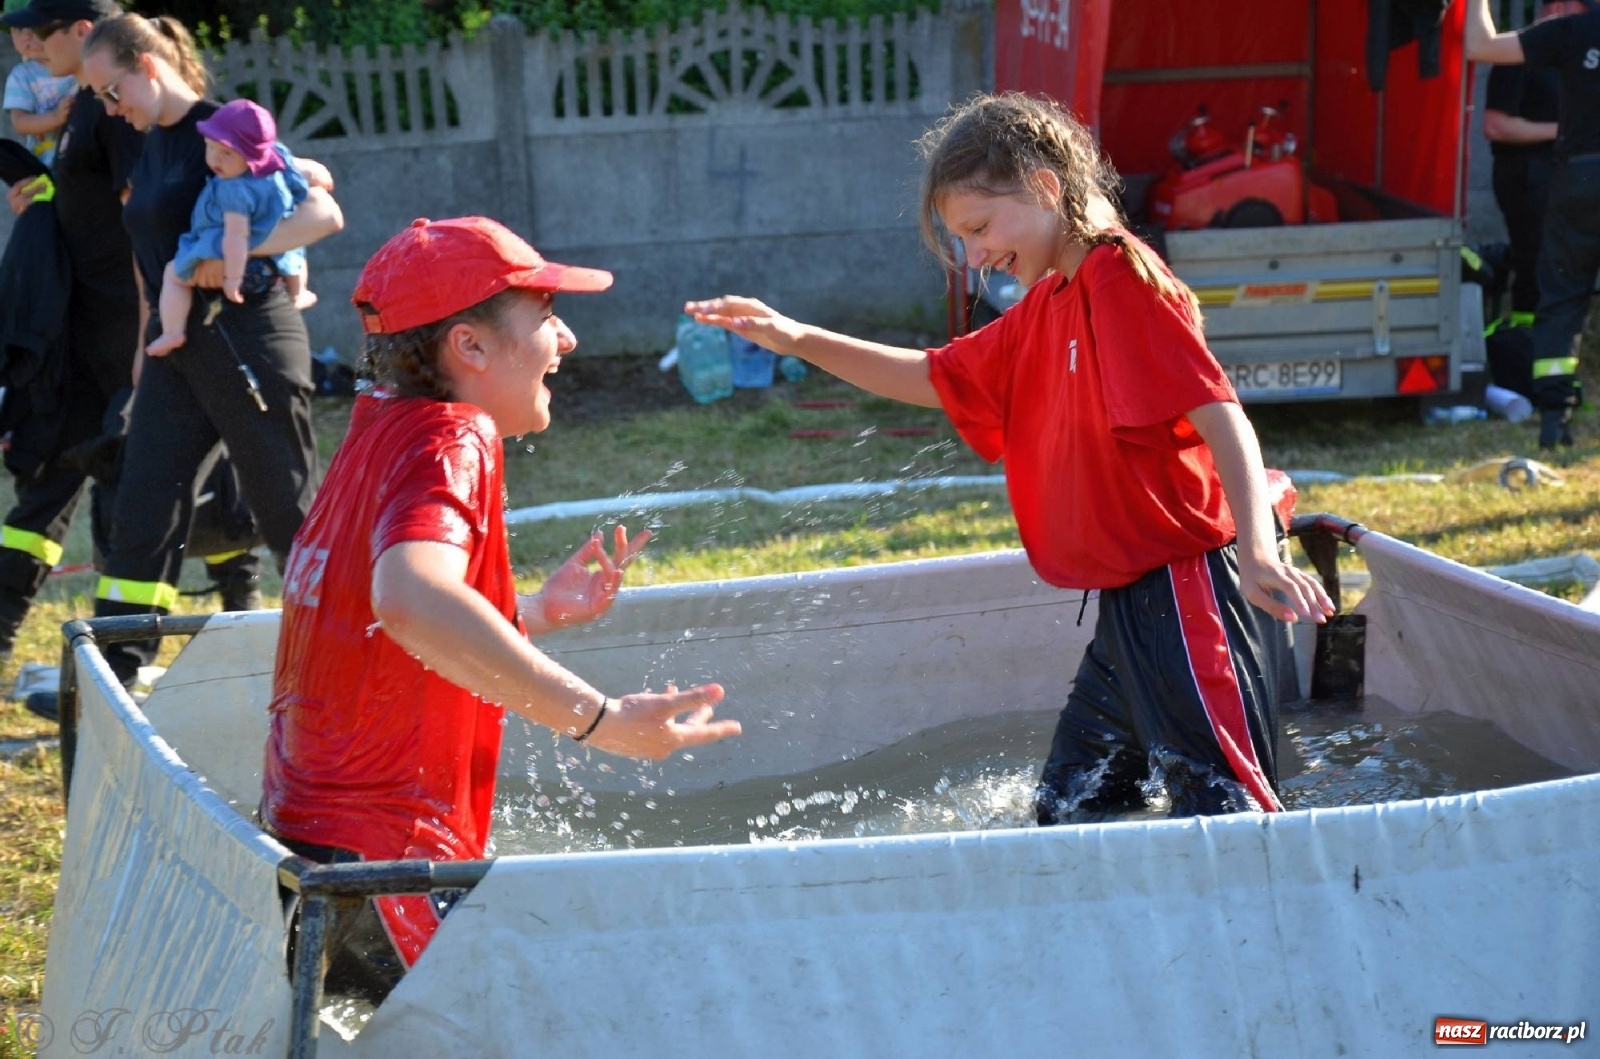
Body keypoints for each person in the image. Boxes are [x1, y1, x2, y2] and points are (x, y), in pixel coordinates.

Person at [689, 92, 1334, 824]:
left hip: (1185, 589)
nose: (974, 256)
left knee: (1235, 816)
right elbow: (935, 376)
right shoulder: (1049, 300)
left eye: (978, 227)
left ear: (1045, 187)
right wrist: (796, 337)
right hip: (1131, 604)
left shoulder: (1120, 281)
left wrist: (1256, 549)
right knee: (1069, 810)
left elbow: (1223, 418)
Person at [261, 215, 742, 1004]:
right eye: (547, 317)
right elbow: (411, 599)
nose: (568, 339)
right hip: (390, 866)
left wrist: (527, 612)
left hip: (312, 854)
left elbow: (373, 626)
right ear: (470, 347)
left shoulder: (375, 428)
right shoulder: (455, 434)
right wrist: (605, 719)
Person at [78, 13, 342, 694]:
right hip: (176, 350)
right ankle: (119, 672)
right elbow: (148, 259)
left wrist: (224, 257)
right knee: (142, 506)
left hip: (248, 339)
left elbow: (323, 213)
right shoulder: (143, 144)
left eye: (111, 92)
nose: (110, 109)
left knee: (285, 510)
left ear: (145, 66)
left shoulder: (226, 126)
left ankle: (346, 655)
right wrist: (144, 349)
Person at [1466, 0, 1598, 449]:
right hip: (1569, 174)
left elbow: (1479, 45)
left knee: (1562, 298)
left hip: (1578, 176)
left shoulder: (1569, 33)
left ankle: (1553, 420)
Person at [148, 96, 317, 357]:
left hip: (235, 264)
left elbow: (236, 237)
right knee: (294, 249)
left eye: (226, 152)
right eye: (210, 147)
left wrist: (232, 279)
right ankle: (299, 291)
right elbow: (300, 184)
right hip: (273, 264)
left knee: (173, 273)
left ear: (250, 155)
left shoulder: (233, 190)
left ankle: (173, 331)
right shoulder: (277, 166)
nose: (215, 158)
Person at [1484, 10, 1561, 326]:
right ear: (1557, 8)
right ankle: (1525, 348)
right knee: (1537, 264)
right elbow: (1496, 126)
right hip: (1527, 175)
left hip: (1565, 175)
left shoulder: (1577, 55)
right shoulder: (1518, 51)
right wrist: (1564, 130)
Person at [3, 0, 74, 165]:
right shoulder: (22, 75)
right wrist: (55, 117)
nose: (26, 36)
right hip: (46, 164)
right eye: (18, 29)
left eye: (35, 26)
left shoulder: (77, 64)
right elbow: (20, 122)